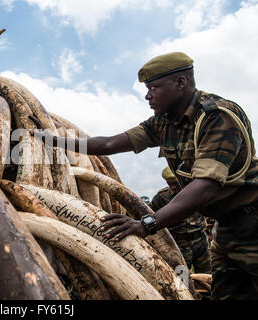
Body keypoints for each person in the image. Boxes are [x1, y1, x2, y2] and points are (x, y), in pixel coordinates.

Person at [32, 52, 258, 300]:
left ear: (180, 83)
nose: (148, 95)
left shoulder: (217, 116)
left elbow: (205, 187)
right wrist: (51, 138)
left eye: (154, 88)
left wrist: (145, 224)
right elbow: (108, 144)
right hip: (228, 227)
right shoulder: (163, 123)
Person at [150, 167, 211, 274]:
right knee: (182, 279)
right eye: (170, 184)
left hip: (200, 241)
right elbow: (150, 213)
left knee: (207, 276)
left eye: (175, 183)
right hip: (178, 245)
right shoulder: (161, 197)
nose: (173, 187)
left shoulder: (197, 192)